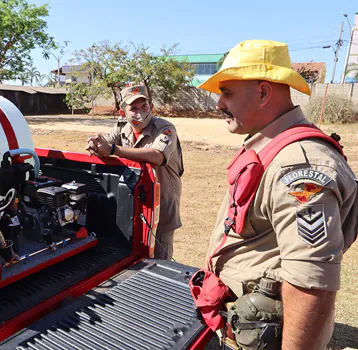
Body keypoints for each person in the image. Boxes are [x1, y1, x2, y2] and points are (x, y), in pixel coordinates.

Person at [196, 40, 358, 349]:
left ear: (263, 93)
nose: (218, 104)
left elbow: (310, 284)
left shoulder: (300, 165)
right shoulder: (274, 145)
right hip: (240, 318)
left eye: (226, 93)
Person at [85, 85, 184, 260]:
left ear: (151, 107)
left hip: (161, 204)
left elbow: (157, 156)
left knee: (159, 260)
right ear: (123, 113)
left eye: (144, 107)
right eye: (133, 108)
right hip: (133, 203)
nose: (140, 112)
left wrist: (114, 149)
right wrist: (96, 145)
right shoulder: (122, 127)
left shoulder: (165, 128)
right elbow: (106, 143)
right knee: (132, 257)